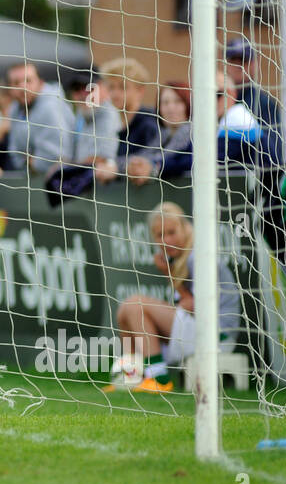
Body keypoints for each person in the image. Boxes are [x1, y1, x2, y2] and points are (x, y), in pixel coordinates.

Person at [105, 202, 241, 393]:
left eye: (171, 232)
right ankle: (132, 376)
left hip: (218, 335)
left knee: (135, 304)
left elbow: (196, 307)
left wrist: (169, 274)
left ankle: (159, 378)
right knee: (125, 311)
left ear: (185, 229)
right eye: (160, 235)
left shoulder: (198, 257)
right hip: (199, 328)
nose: (166, 240)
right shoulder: (181, 258)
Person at [0, 60, 74, 177]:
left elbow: (56, 158)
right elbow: (15, 154)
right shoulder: (15, 109)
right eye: (16, 82)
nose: (23, 87)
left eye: (28, 81)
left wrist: (30, 161)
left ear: (41, 83)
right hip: (29, 179)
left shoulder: (51, 108)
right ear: (10, 88)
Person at [93, 57, 161, 184]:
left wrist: (114, 168)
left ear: (140, 90)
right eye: (111, 87)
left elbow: (149, 161)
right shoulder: (121, 126)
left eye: (123, 87)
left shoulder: (150, 125)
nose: (115, 93)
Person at [127, 82, 192, 184]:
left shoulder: (195, 134)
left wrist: (153, 168)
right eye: (165, 102)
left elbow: (181, 161)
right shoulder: (163, 135)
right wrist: (134, 165)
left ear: (188, 104)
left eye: (178, 102)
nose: (170, 108)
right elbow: (144, 155)